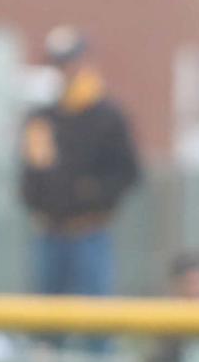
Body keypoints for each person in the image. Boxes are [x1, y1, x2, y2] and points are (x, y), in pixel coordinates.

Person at [19, 26, 140, 297]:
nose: (65, 70)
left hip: (90, 230)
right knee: (46, 323)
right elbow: (32, 169)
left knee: (94, 320)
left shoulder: (107, 116)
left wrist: (93, 192)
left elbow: (128, 171)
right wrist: (35, 199)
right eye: (59, 63)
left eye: (70, 62)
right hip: (48, 232)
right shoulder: (43, 117)